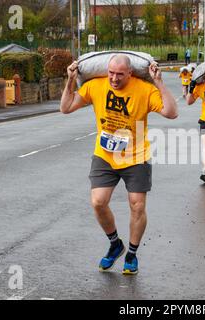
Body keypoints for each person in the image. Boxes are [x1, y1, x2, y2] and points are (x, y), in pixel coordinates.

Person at [60, 54, 178, 275]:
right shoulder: (96, 85)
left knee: (137, 205)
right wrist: (70, 80)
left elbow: (172, 112)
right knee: (98, 202)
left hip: (136, 156)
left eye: (120, 75)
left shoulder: (144, 89)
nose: (114, 79)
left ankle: (131, 254)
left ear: (130, 73)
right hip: (105, 155)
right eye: (111, 73)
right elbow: (65, 108)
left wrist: (159, 82)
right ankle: (115, 244)